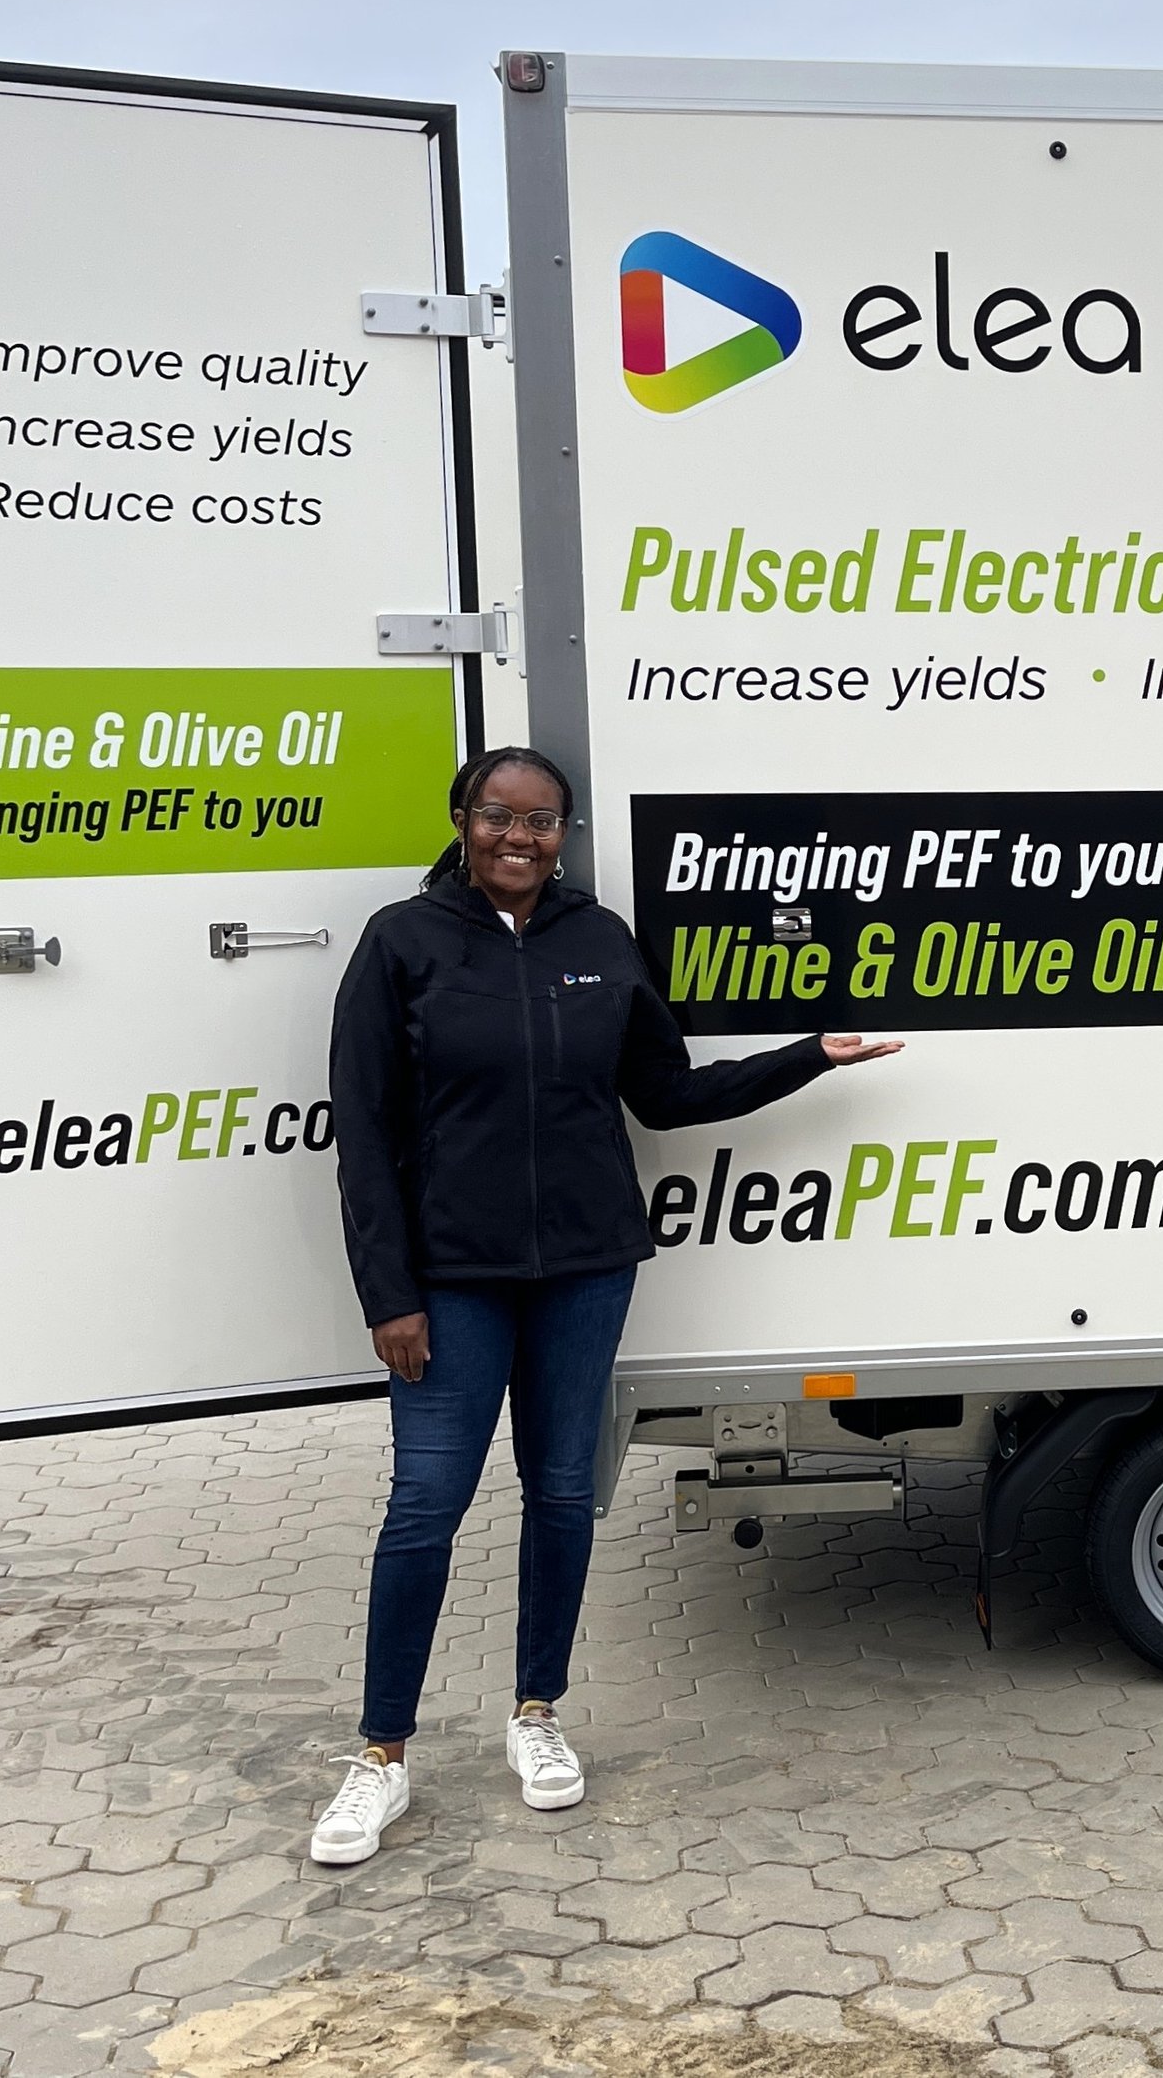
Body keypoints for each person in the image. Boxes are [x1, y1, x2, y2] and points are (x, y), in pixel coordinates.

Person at [312, 747, 900, 1865]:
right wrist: (388, 1292)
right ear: (461, 820)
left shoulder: (598, 940)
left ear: (564, 834)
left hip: (586, 1267)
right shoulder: (403, 942)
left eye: (542, 822)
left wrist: (806, 1058)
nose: (520, 839)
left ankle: (537, 1713)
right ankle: (381, 1755)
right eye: (499, 817)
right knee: (424, 1504)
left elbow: (666, 1094)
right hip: (450, 1278)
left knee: (564, 1490)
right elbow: (365, 1134)